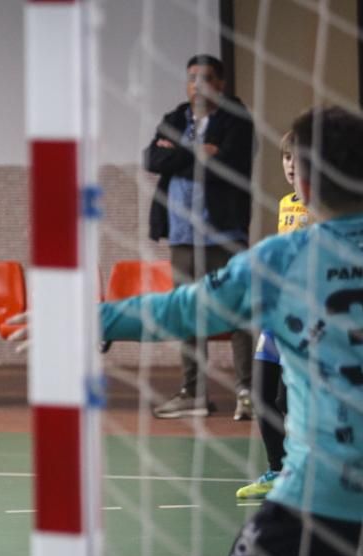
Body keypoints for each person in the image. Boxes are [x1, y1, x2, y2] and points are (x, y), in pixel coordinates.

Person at [16, 106, 363, 556]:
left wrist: (87, 320)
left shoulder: (286, 256)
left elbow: (182, 311)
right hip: (318, 497)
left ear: (301, 178)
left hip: (317, 499)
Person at [145, 54, 255, 420]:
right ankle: (194, 392)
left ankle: (247, 391)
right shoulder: (176, 118)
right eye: (191, 78)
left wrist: (178, 153)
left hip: (224, 234)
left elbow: (229, 163)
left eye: (206, 78)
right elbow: (152, 160)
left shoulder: (236, 119)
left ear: (220, 85)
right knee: (187, 314)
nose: (197, 85)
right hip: (182, 236)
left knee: (238, 312)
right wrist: (198, 151)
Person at [236, 131, 309, 500]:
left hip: (313, 323)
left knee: (291, 400)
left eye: (299, 156)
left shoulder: (333, 209)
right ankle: (277, 470)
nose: (291, 164)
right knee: (263, 394)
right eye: (286, 157)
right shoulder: (286, 204)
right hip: (278, 315)